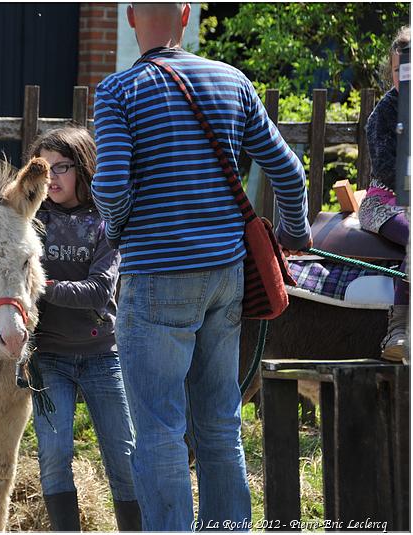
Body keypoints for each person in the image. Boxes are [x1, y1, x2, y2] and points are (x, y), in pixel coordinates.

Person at [91, 3, 311, 531]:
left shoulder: (118, 91)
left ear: (129, 18)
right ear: (186, 14)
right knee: (220, 425)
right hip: (225, 277)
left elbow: (112, 187)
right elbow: (289, 170)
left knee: (162, 430)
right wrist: (295, 235)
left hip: (155, 279)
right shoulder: (231, 81)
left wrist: (118, 231)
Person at [27, 126, 140, 532]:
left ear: (84, 168)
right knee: (54, 456)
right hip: (49, 359)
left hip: (102, 356)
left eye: (62, 167)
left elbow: (98, 291)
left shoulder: (104, 222)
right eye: (43, 169)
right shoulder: (32, 221)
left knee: (125, 457)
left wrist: (42, 286)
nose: (52, 178)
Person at [358, 26, 410, 362]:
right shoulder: (383, 114)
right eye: (398, 70)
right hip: (385, 201)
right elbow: (387, 166)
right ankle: (400, 326)